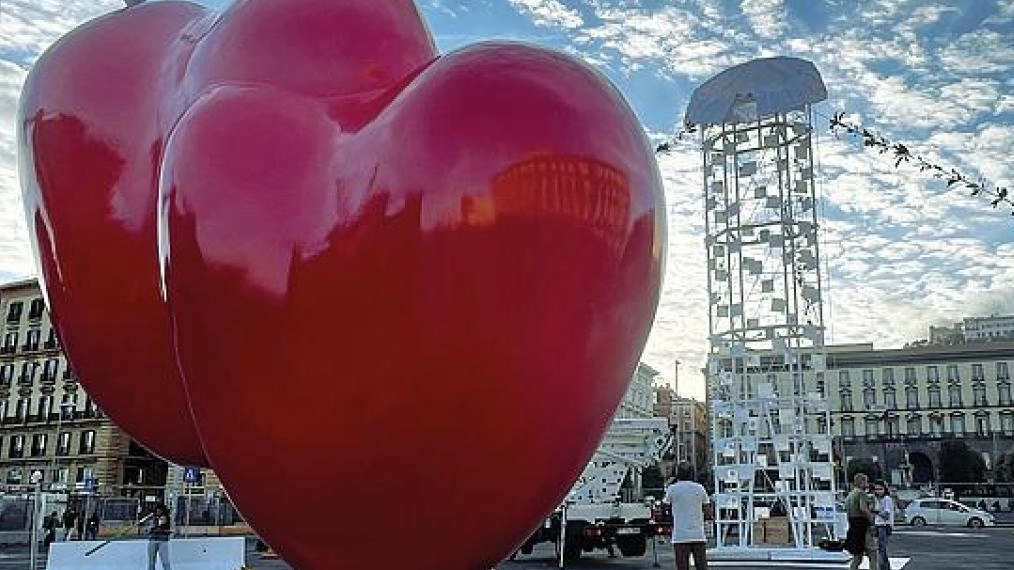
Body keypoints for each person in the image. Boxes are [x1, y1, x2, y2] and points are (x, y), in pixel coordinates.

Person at [665, 462, 712, 570]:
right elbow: (708, 513)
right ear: (692, 474)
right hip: (698, 534)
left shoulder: (672, 489)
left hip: (680, 535)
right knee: (701, 566)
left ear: (677, 474)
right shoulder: (700, 488)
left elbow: (665, 506)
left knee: (682, 566)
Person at [843, 473, 878, 570]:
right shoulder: (861, 493)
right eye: (866, 481)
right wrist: (872, 520)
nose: (867, 484)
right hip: (863, 526)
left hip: (853, 527)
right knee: (873, 554)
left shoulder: (850, 495)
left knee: (857, 557)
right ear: (861, 482)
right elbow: (863, 509)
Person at [872, 480, 893, 570]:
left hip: (884, 526)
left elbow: (886, 515)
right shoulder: (876, 499)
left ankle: (883, 568)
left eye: (880, 489)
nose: (878, 491)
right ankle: (885, 567)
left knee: (881, 549)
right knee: (879, 550)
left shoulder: (887, 499)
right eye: (876, 489)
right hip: (877, 525)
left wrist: (876, 511)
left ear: (885, 489)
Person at [147, 503, 172, 570]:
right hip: (152, 540)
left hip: (162, 541)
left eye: (160, 510)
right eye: (157, 510)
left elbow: (159, 524)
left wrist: (153, 525)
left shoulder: (165, 518)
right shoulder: (153, 518)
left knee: (165, 561)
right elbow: (149, 529)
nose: (158, 511)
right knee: (151, 562)